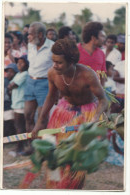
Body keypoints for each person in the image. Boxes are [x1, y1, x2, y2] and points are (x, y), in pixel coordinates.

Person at [32, 39, 108, 189]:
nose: (54, 65)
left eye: (59, 62)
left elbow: (103, 100)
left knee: (76, 162)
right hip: (62, 113)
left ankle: (74, 189)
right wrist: (40, 120)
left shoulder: (88, 75)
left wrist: (94, 118)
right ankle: (55, 187)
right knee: (54, 154)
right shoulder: (52, 73)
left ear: (71, 61)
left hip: (84, 116)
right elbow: (51, 97)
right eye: (53, 61)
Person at [24, 21, 54, 137]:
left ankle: (42, 147)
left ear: (40, 35)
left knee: (42, 118)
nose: (28, 36)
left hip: (45, 84)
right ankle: (32, 145)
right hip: (30, 82)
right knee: (28, 115)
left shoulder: (52, 47)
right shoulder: (30, 45)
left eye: (30, 34)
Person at [8, 55, 29, 155]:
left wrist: (10, 86)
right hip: (16, 104)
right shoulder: (18, 74)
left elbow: (12, 85)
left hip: (20, 104)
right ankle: (21, 147)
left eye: (22, 62)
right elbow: (10, 86)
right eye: (18, 62)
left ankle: (19, 149)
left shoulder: (25, 74)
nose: (19, 64)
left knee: (20, 127)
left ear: (27, 64)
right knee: (19, 126)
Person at [4, 63, 18, 136]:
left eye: (11, 72)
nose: (8, 74)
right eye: (7, 72)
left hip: (10, 108)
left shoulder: (16, 82)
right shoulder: (4, 81)